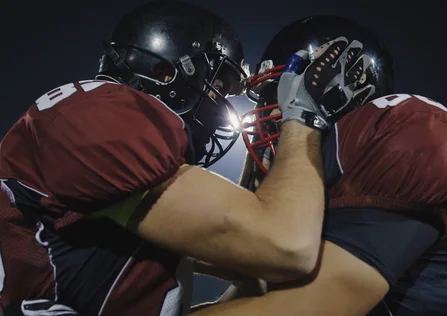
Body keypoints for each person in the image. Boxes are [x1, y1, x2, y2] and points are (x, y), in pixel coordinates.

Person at [0, 2, 370, 314]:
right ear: (166, 71)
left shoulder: (118, 178)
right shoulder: (107, 114)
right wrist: (303, 117)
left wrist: (266, 166)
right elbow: (287, 248)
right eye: (219, 86)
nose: (221, 102)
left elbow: (256, 271)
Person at [192, 15, 447, 316]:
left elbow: (305, 309)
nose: (265, 116)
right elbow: (251, 291)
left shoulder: (410, 128)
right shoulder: (310, 185)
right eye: (266, 99)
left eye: (285, 95)